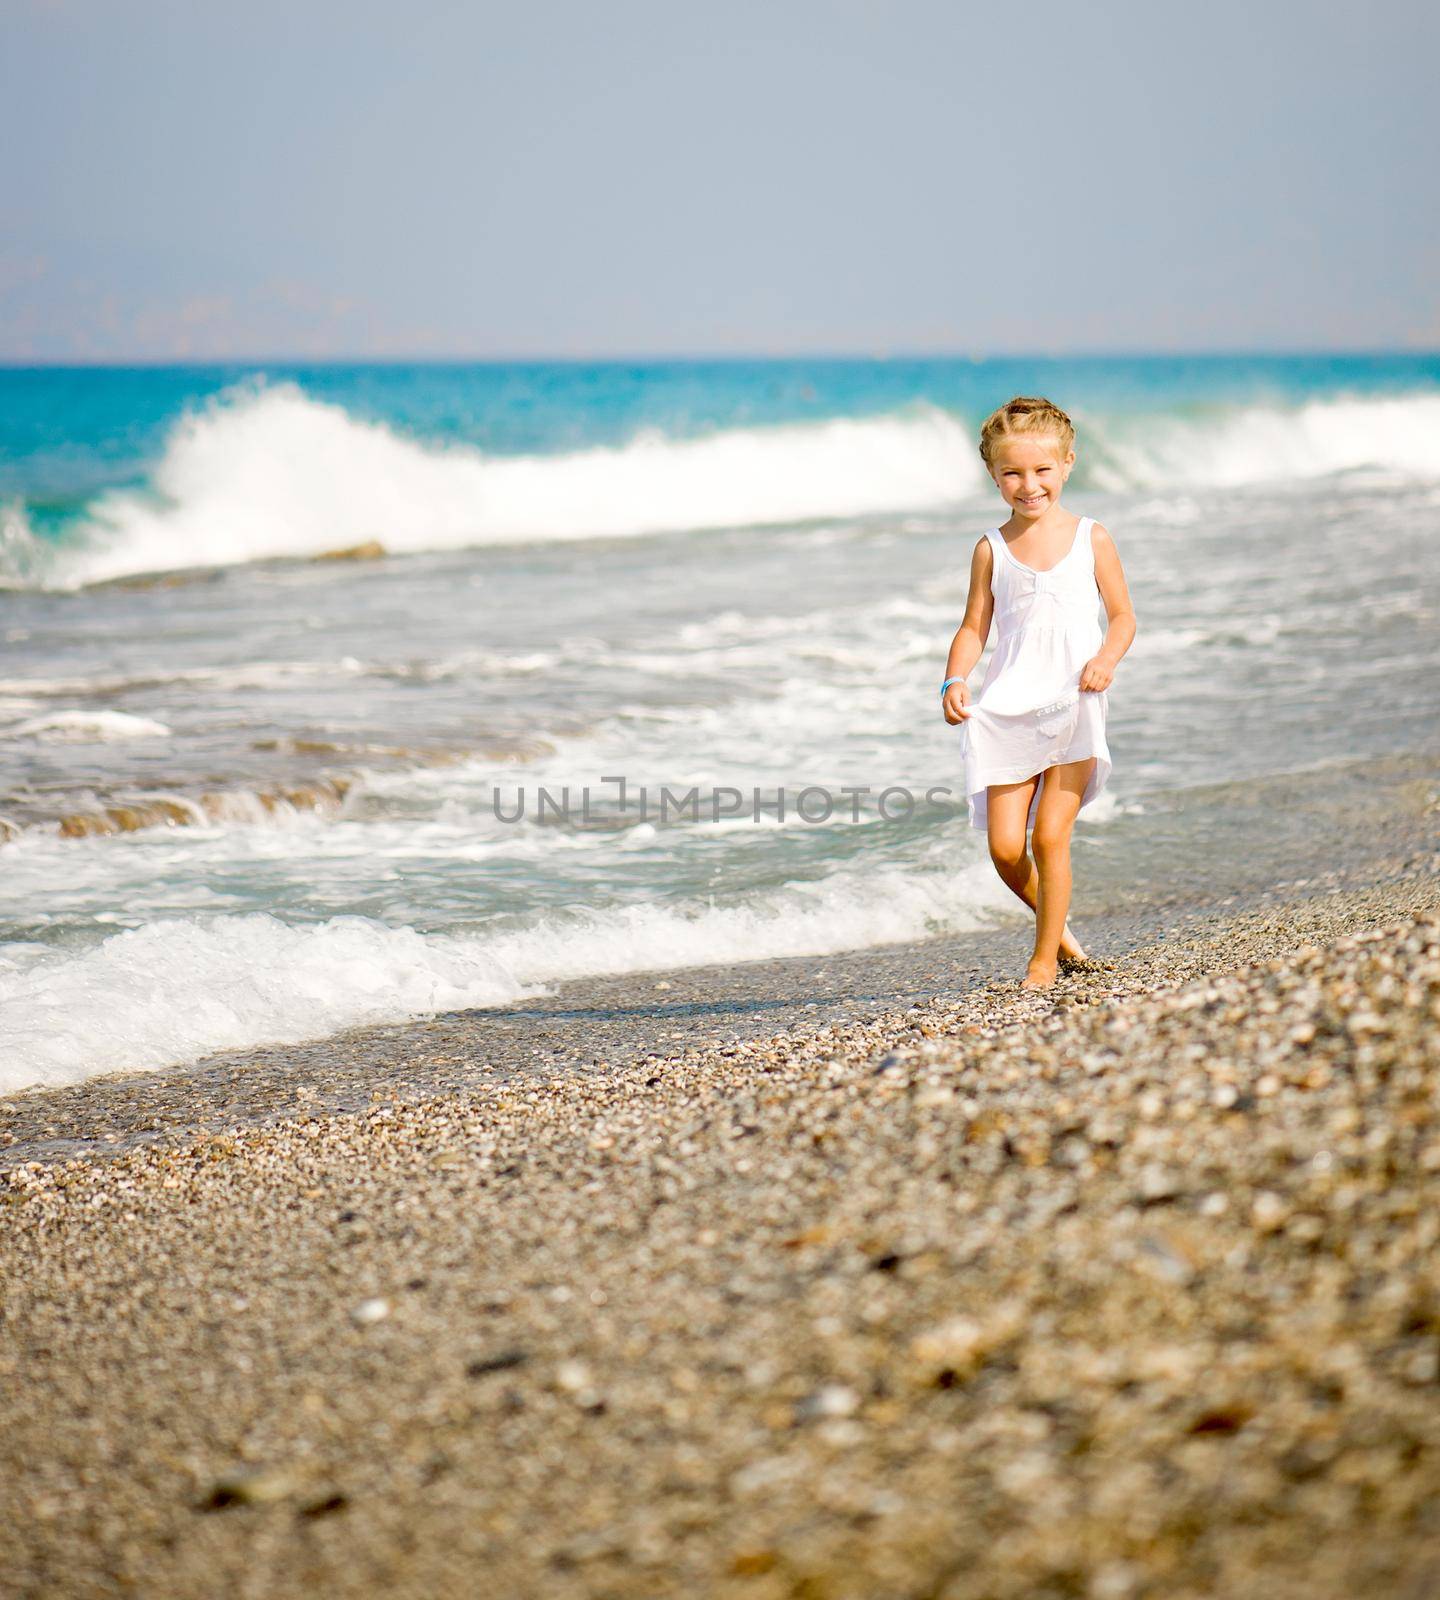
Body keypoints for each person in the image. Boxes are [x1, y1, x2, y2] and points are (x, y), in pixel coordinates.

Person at [941, 396, 1137, 990]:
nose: (1029, 485)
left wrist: (1106, 659)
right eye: (1013, 473)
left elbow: (1124, 616)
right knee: (1005, 849)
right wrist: (955, 678)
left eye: (1042, 470)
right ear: (994, 476)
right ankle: (1061, 931)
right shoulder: (990, 549)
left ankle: (1043, 960)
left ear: (1068, 464)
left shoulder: (1091, 537)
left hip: (1075, 701)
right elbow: (974, 626)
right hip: (1007, 708)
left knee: (1051, 835)